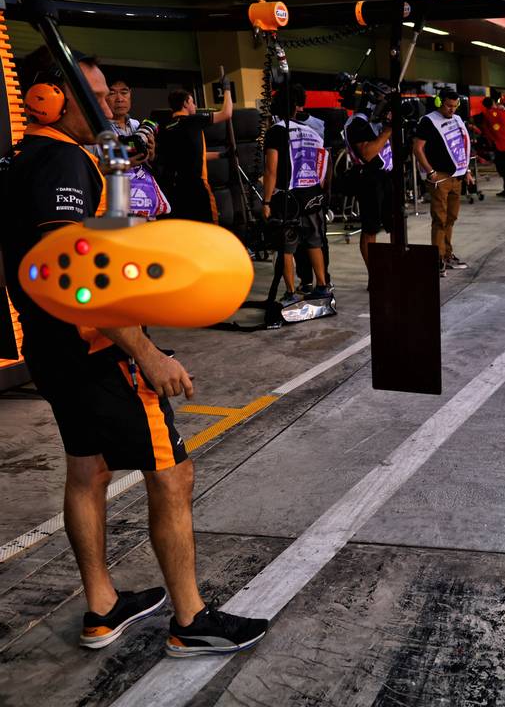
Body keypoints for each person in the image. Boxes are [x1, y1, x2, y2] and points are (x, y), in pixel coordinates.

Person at [0, 46, 267, 656]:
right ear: (49, 96)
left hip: (50, 345)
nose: (105, 107)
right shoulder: (63, 164)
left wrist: (116, 169)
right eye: (91, 95)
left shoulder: (30, 157)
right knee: (172, 476)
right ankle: (191, 619)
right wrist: (145, 352)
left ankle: (102, 606)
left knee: (86, 468)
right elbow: (75, 276)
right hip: (99, 347)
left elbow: (90, 243)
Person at [262, 84, 331, 304]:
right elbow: (323, 166)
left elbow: (271, 169)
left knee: (286, 247)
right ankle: (322, 286)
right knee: (315, 243)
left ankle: (291, 293)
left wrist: (266, 200)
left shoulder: (276, 131)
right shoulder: (312, 131)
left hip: (287, 199)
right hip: (312, 196)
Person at [414, 88, 473, 276]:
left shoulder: (457, 119)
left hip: (457, 176)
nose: (452, 110)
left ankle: (447, 254)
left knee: (451, 218)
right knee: (439, 219)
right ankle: (437, 258)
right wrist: (430, 172)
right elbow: (417, 148)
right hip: (440, 177)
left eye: (455, 106)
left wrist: (467, 170)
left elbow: (461, 145)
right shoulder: (428, 121)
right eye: (448, 105)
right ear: (439, 102)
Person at [156, 83, 232, 223]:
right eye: (192, 102)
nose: (195, 106)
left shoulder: (165, 127)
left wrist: (221, 155)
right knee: (210, 228)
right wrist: (227, 89)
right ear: (185, 103)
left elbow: (192, 154)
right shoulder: (192, 120)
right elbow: (226, 113)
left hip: (175, 189)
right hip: (197, 186)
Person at [105, 79, 170, 220]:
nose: (119, 99)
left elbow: (153, 165)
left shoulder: (137, 125)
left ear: (130, 94)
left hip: (145, 202)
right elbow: (91, 170)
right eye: (112, 93)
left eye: (124, 92)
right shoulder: (98, 129)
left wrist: (151, 155)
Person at [343, 92, 394, 265]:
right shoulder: (357, 123)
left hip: (387, 175)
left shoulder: (377, 120)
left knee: (396, 224)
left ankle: (396, 268)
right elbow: (368, 154)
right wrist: (388, 130)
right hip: (370, 179)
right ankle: (375, 275)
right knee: (370, 228)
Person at [481, 93, 505, 200]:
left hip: (498, 147)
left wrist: (492, 142)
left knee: (504, 170)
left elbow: (485, 131)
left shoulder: (485, 115)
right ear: (494, 103)